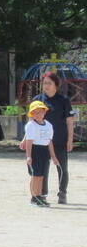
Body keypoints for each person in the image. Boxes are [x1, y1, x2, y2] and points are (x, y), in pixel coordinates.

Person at [23, 72, 75, 204]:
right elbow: (31, 121)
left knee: (62, 168)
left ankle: (62, 193)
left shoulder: (64, 100)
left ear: (56, 85)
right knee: (42, 170)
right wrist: (25, 138)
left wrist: (70, 140)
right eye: (44, 83)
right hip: (41, 143)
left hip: (60, 140)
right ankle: (42, 194)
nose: (45, 86)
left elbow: (70, 121)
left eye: (49, 83)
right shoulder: (37, 99)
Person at [25, 101, 59, 207]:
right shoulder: (31, 125)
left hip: (44, 152)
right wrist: (29, 156)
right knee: (35, 176)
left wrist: (53, 156)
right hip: (35, 151)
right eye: (35, 112)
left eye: (40, 111)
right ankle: (34, 198)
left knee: (41, 176)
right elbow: (29, 142)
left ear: (44, 112)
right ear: (32, 114)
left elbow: (49, 142)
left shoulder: (49, 125)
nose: (38, 114)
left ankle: (39, 196)